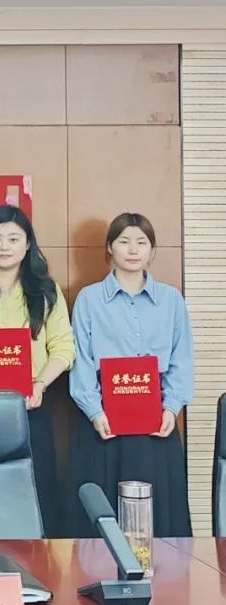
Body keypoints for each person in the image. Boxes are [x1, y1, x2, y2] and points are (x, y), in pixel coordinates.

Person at [0, 204, 74, 536]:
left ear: (28, 243)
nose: (4, 246)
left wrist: (40, 384)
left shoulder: (45, 290)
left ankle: (39, 561)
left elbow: (64, 348)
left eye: (13, 238)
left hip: (30, 408)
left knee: (35, 492)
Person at [67, 213, 192, 537]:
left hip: (156, 422)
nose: (133, 250)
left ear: (152, 249)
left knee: (159, 520)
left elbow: (182, 359)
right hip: (103, 422)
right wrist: (95, 411)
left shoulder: (171, 300)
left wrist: (171, 408)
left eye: (141, 242)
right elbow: (81, 360)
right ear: (110, 247)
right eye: (124, 241)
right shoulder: (89, 299)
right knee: (102, 520)